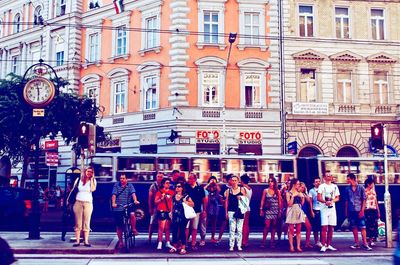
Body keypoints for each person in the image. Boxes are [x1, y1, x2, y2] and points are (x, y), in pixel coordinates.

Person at [111, 174, 140, 249]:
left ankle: (133, 228)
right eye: (121, 178)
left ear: (126, 179)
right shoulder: (116, 185)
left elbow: (133, 193)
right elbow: (114, 195)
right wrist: (113, 203)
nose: (122, 180)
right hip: (118, 206)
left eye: (123, 178)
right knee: (119, 226)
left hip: (128, 205)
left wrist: (135, 200)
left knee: (132, 215)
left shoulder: (130, 185)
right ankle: (121, 241)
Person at [345, 173, 371, 251]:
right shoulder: (347, 189)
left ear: (352, 179)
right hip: (351, 210)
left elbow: (364, 199)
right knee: (354, 227)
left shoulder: (361, 188)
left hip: (359, 210)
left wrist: (362, 210)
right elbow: (346, 201)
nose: (347, 180)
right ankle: (356, 243)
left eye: (348, 179)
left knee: (363, 227)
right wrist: (346, 212)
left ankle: (365, 243)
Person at [72, 166, 97, 247]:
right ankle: (77, 241)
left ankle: (86, 241)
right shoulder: (78, 180)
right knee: (78, 222)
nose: (89, 173)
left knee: (86, 222)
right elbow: (73, 190)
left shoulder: (93, 181)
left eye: (91, 172)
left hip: (88, 203)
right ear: (85, 171)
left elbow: (93, 189)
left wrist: (92, 179)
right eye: (88, 171)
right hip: (78, 202)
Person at [317, 171, 340, 252]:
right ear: (324, 177)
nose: (329, 177)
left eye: (330, 176)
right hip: (324, 209)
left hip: (332, 209)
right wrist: (325, 202)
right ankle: (323, 245)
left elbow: (337, 197)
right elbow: (318, 197)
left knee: (331, 227)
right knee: (324, 227)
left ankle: (328, 244)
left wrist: (332, 201)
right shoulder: (321, 186)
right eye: (327, 176)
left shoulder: (335, 186)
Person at [170, 181, 194, 254]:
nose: (177, 188)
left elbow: (192, 204)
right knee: (174, 231)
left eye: (179, 186)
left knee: (182, 231)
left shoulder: (186, 196)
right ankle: (175, 246)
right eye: (176, 186)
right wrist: (171, 213)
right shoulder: (174, 196)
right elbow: (172, 205)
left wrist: (185, 202)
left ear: (182, 188)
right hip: (175, 216)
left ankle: (183, 248)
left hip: (183, 216)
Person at [225, 175, 247, 251]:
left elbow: (245, 201)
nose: (234, 182)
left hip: (240, 211)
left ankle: (239, 245)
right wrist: (226, 212)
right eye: (232, 180)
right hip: (231, 211)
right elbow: (227, 202)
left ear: (238, 181)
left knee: (240, 229)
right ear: (230, 181)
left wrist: (241, 198)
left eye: (235, 180)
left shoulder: (242, 189)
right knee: (232, 229)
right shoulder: (228, 191)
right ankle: (231, 245)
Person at [185, 173, 206, 250]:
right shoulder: (186, 187)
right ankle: (185, 242)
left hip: (196, 210)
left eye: (190, 178)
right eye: (188, 178)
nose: (189, 180)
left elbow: (204, 200)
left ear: (195, 179)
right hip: (187, 210)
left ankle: (193, 242)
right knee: (186, 227)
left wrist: (204, 210)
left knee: (194, 227)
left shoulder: (200, 188)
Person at [260, 176, 281, 248]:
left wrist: (280, 211)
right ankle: (263, 241)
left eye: (271, 181)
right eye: (269, 181)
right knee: (267, 225)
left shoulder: (277, 191)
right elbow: (262, 200)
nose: (270, 183)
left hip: (275, 209)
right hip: (268, 209)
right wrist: (261, 209)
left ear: (274, 183)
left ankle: (272, 241)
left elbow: (279, 201)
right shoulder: (265, 190)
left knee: (274, 226)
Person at [154, 177, 175, 250]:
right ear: (163, 184)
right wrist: (161, 199)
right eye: (167, 183)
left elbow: (172, 203)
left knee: (167, 228)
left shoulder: (172, 192)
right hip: (161, 210)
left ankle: (167, 242)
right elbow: (155, 202)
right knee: (161, 227)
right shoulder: (159, 192)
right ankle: (160, 242)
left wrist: (171, 211)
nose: (168, 184)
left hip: (168, 211)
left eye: (169, 183)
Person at [285, 178, 305, 252]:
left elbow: (302, 204)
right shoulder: (288, 193)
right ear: (294, 184)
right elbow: (289, 204)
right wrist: (293, 196)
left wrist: (302, 197)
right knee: (291, 230)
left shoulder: (299, 192)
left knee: (299, 230)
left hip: (298, 210)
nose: (299, 185)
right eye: (298, 184)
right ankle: (291, 246)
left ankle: (298, 246)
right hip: (291, 210)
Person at [204, 176, 222, 244]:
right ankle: (203, 237)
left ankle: (212, 237)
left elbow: (219, 190)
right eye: (211, 180)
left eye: (214, 180)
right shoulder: (207, 188)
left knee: (214, 223)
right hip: (208, 205)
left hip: (215, 206)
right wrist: (209, 183)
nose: (213, 182)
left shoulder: (216, 187)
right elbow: (203, 190)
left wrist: (215, 183)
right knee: (206, 222)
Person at [148, 172, 164, 244]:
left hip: (163, 206)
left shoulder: (164, 185)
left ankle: (159, 238)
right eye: (158, 176)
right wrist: (150, 208)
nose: (160, 178)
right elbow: (150, 198)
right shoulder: (153, 186)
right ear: (156, 177)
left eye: (161, 177)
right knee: (152, 222)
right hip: (155, 206)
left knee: (161, 223)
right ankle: (149, 237)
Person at [364, 177, 380, 247]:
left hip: (373, 209)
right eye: (372, 183)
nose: (373, 185)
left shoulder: (373, 191)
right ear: (368, 184)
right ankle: (367, 240)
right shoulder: (365, 191)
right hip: (367, 210)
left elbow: (376, 201)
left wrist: (378, 210)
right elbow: (363, 201)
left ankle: (371, 240)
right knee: (368, 225)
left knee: (373, 224)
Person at [308, 176, 323, 248]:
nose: (318, 183)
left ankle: (322, 241)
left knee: (322, 226)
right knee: (316, 227)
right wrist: (311, 211)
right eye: (316, 182)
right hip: (315, 209)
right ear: (314, 183)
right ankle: (317, 241)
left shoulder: (323, 189)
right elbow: (310, 202)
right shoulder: (311, 191)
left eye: (319, 181)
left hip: (323, 209)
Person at [299, 182, 313, 249]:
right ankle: (298, 244)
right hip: (299, 212)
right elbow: (301, 204)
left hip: (304, 213)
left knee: (309, 227)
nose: (303, 188)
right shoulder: (298, 194)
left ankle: (307, 243)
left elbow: (309, 200)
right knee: (299, 229)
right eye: (302, 187)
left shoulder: (304, 194)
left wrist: (306, 192)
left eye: (304, 187)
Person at [240, 174, 252, 248]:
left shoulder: (243, 189)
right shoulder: (250, 189)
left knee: (242, 226)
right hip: (248, 207)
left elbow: (242, 199)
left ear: (242, 181)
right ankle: (246, 240)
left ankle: (243, 241)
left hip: (243, 208)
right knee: (246, 225)